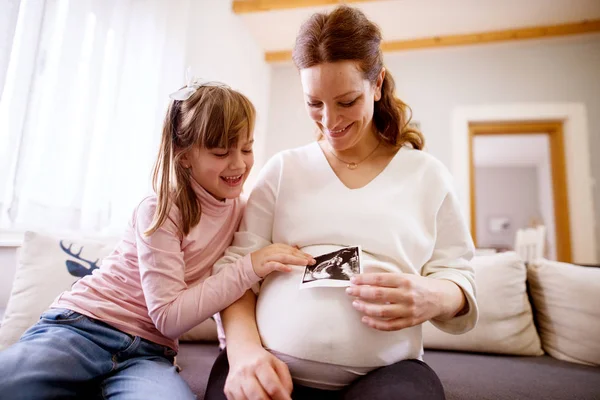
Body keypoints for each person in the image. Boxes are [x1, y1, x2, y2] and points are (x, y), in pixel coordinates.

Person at [205, 6, 478, 400]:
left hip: (389, 374)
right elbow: (234, 274)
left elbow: (459, 277)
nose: (329, 121)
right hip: (268, 362)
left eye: (346, 101)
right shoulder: (283, 170)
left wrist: (433, 296)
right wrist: (244, 353)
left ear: (377, 84)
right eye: (314, 103)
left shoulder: (427, 176)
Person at [0, 80, 314, 399]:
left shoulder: (243, 213)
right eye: (221, 152)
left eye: (246, 148)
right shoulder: (160, 210)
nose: (239, 164)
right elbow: (167, 316)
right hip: (84, 326)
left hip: (148, 354)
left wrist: (238, 347)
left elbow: (226, 290)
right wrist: (251, 266)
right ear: (184, 156)